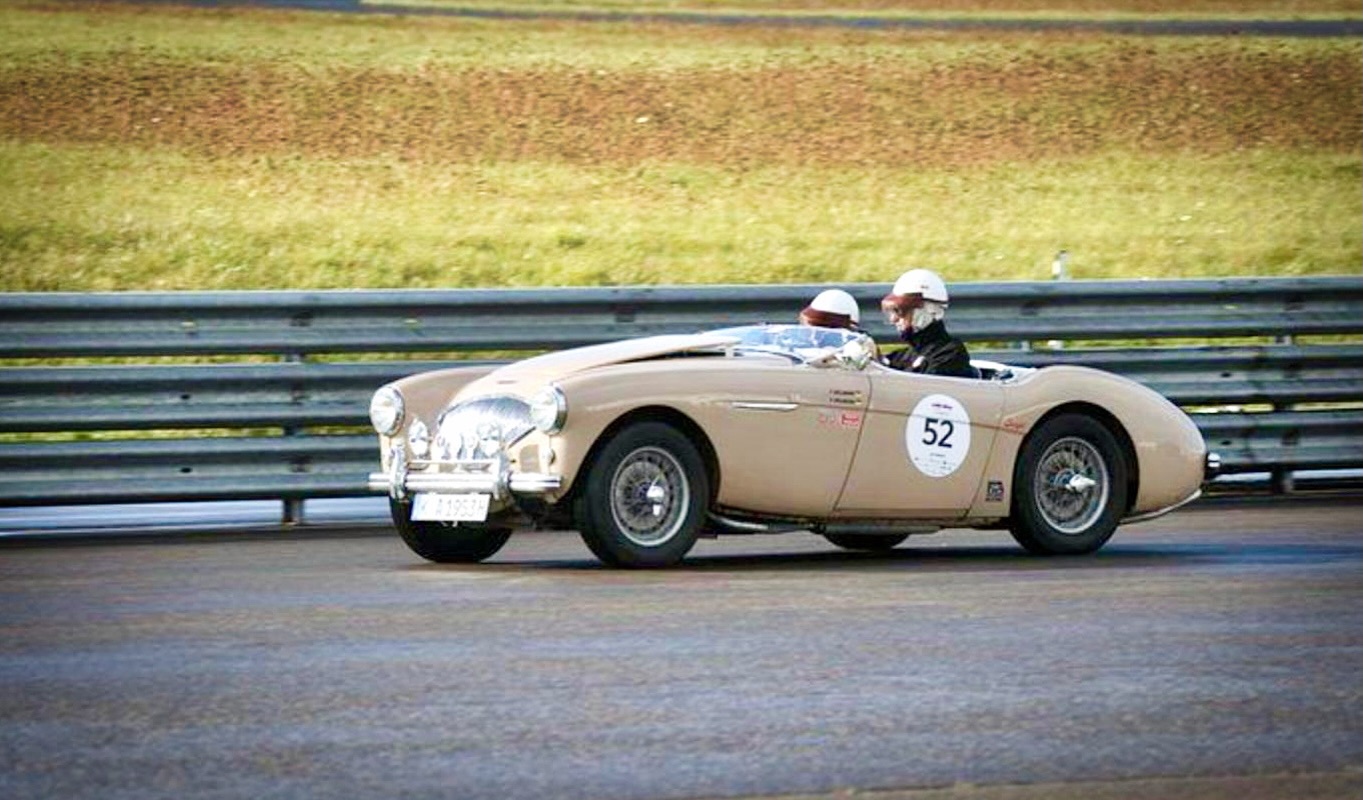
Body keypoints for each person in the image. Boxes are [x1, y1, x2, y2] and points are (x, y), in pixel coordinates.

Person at [880, 268, 974, 378]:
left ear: (930, 310)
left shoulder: (950, 355)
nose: (893, 319)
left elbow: (921, 389)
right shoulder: (905, 355)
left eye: (900, 311)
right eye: (892, 311)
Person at [798, 289, 862, 331]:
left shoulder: (854, 349)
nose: (814, 334)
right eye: (812, 326)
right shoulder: (796, 346)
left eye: (823, 327)